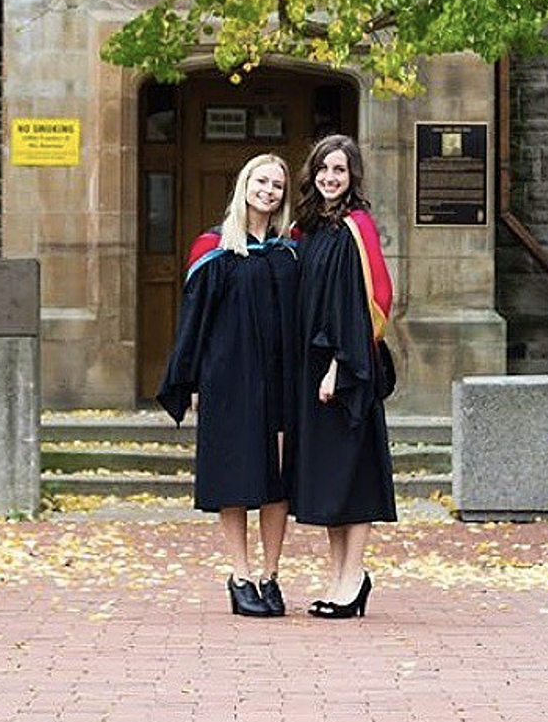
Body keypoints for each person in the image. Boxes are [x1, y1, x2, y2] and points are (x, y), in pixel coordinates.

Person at [157, 154, 298, 617]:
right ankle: (239, 576)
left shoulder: (289, 248)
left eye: (277, 184)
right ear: (245, 185)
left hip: (281, 376)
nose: (269, 190)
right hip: (229, 377)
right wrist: (192, 378)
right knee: (236, 477)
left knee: (277, 479)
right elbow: (194, 321)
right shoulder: (214, 248)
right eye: (261, 181)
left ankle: (270, 576)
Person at [289, 134, 396, 619]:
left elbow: (367, 303)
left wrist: (338, 367)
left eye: (340, 171)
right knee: (332, 481)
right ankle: (338, 578)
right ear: (312, 173)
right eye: (324, 169)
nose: (331, 178)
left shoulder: (358, 228)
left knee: (355, 479)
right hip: (312, 370)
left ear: (353, 178)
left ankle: (353, 578)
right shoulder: (307, 229)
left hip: (347, 370)